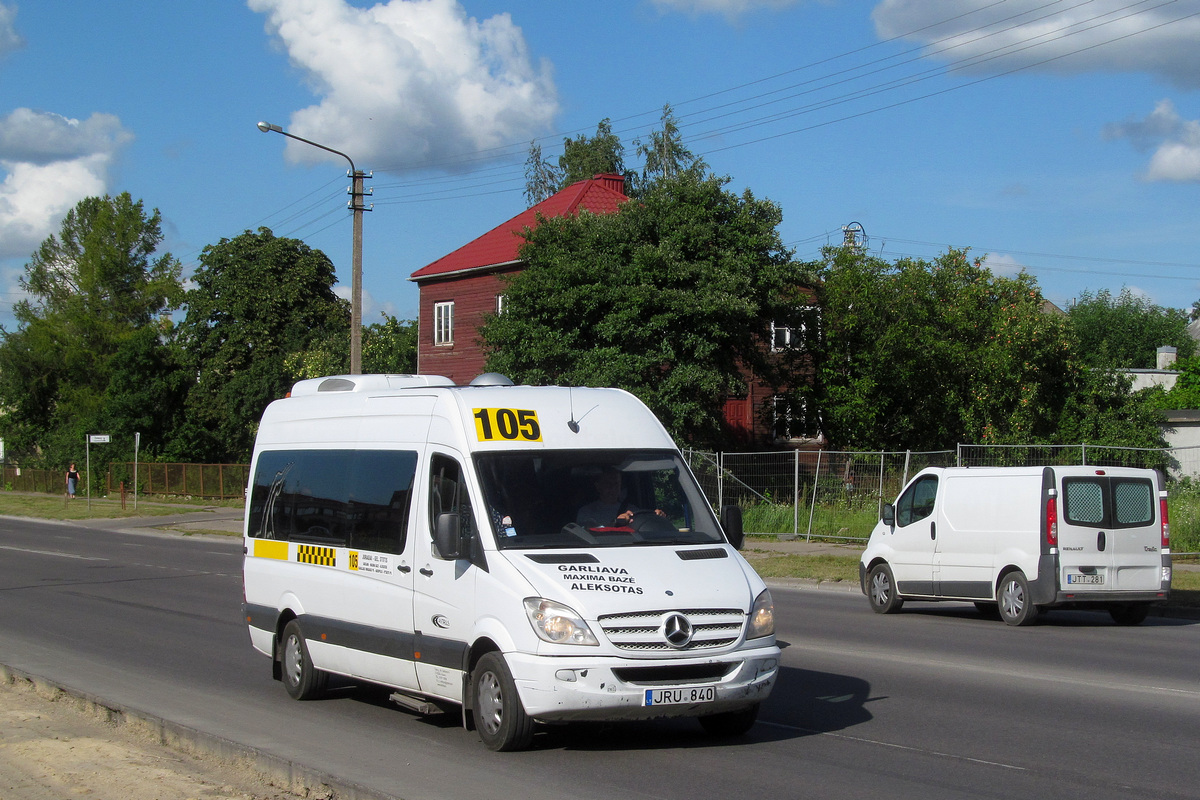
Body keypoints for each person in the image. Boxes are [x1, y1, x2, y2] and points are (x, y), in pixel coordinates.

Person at [576, 468, 665, 528]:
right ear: (598, 486)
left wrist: (656, 518)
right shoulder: (586, 512)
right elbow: (586, 538)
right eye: (608, 484)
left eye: (616, 484)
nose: (613, 488)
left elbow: (643, 529)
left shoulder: (633, 511)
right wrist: (617, 522)